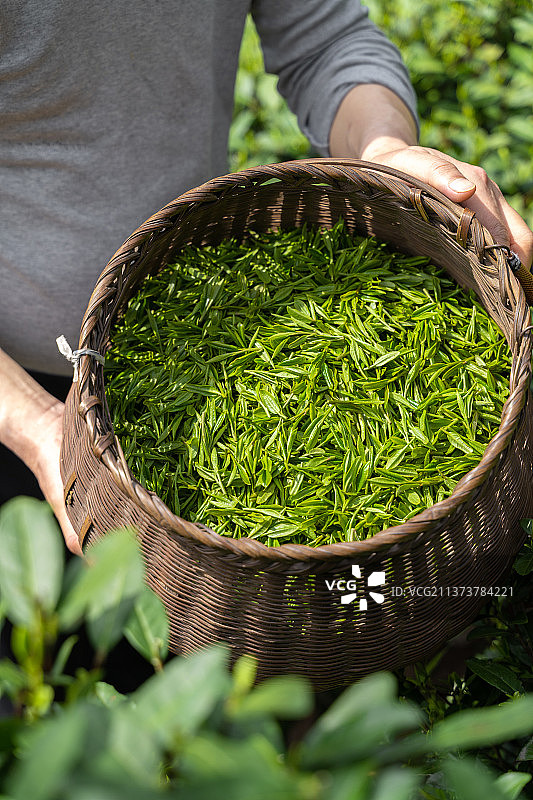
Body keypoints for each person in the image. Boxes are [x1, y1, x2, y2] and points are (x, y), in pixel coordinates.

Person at [1, 0, 532, 558]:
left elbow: (325, 42)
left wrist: (384, 149)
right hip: (20, 391)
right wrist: (35, 424)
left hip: (197, 294)